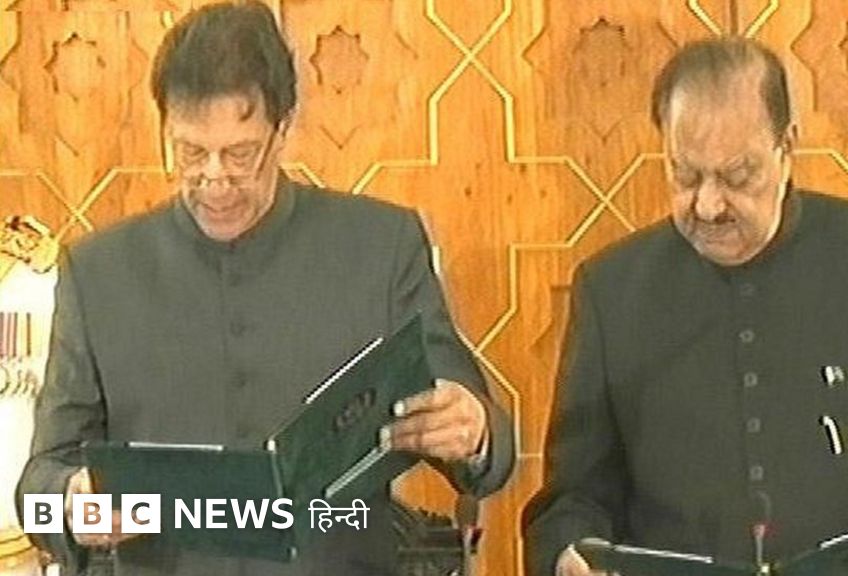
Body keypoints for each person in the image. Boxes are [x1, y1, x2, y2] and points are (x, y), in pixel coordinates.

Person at [16, 2, 513, 574]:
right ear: (164, 129)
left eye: (240, 153)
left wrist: (474, 432)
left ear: (283, 129)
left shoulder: (380, 246)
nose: (215, 179)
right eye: (190, 152)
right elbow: (36, 494)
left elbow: (487, 446)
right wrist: (71, 505)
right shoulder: (98, 273)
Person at [523, 37, 848, 576]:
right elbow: (574, 497)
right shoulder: (611, 290)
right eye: (685, 175)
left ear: (787, 148)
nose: (709, 205)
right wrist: (569, 553)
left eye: (738, 177)